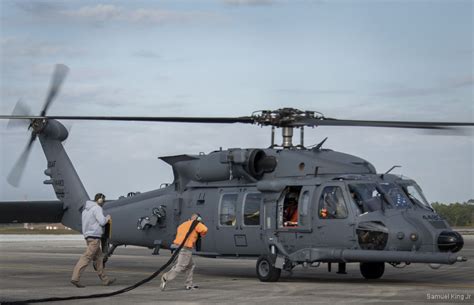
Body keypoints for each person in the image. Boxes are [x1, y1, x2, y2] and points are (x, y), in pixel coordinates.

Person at [71, 193, 115, 288]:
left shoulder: (85, 210)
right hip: (95, 238)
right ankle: (75, 278)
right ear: (100, 200)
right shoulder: (97, 208)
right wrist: (107, 218)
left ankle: (105, 280)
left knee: (99, 259)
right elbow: (102, 222)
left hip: (88, 237)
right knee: (86, 257)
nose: (103, 203)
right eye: (103, 201)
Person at [160, 213, 208, 291]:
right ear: (198, 219)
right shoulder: (196, 223)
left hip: (178, 247)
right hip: (186, 248)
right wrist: (201, 229)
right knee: (181, 266)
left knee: (190, 265)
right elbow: (204, 229)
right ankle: (165, 277)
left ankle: (189, 284)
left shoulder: (183, 224)